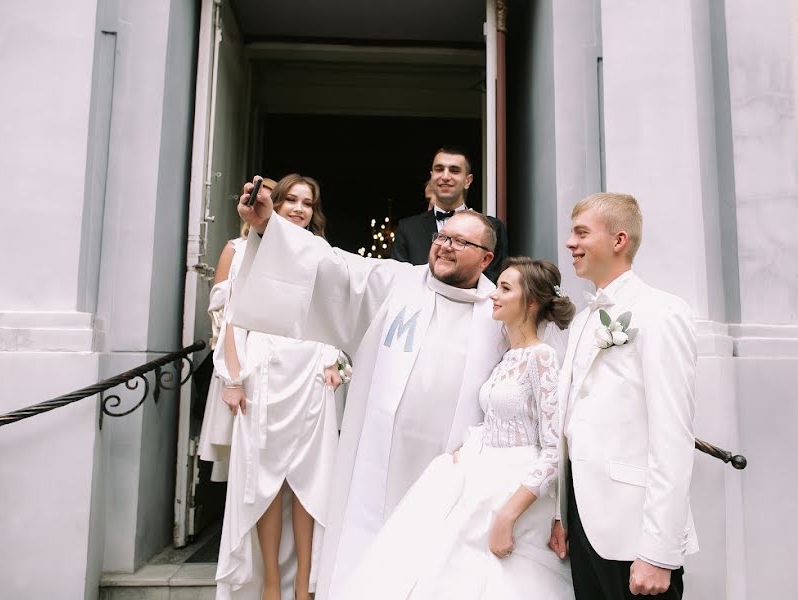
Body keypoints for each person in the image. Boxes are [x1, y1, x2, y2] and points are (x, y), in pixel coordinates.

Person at [229, 186, 508, 599]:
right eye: (442, 237)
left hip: (452, 470)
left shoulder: (501, 310)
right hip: (378, 463)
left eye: (460, 242)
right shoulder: (396, 283)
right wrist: (269, 225)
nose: (445, 247)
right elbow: (330, 267)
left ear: (486, 258)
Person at [342, 257, 577, 599]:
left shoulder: (542, 358)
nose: (494, 295)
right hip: (482, 470)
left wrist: (506, 515)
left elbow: (555, 451)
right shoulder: (509, 355)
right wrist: (466, 448)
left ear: (531, 302)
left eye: (505, 288)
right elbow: (498, 420)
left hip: (515, 486)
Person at [548, 193, 699, 599]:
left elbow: (673, 437)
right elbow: (569, 426)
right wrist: (563, 515)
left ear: (618, 240)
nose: (569, 243)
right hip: (584, 527)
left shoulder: (661, 312)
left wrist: (659, 551)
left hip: (635, 534)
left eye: (581, 233)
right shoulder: (581, 320)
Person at [210, 174, 345, 600]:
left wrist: (334, 359)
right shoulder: (243, 250)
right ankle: (270, 584)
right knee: (263, 482)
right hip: (262, 372)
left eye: (308, 202)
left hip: (311, 375)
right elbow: (230, 321)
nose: (299, 209)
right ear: (276, 203)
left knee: (310, 481)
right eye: (291, 200)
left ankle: (305, 586)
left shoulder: (321, 254)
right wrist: (232, 379)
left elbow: (337, 310)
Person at [200, 177, 278, 483]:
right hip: (238, 360)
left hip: (277, 363)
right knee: (241, 452)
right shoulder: (236, 249)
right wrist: (230, 371)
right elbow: (220, 309)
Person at [392, 146, 509, 283]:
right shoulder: (408, 228)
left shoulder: (493, 228)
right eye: (439, 169)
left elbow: (493, 283)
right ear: (432, 177)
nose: (445, 176)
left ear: (468, 181)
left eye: (454, 170)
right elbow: (399, 280)